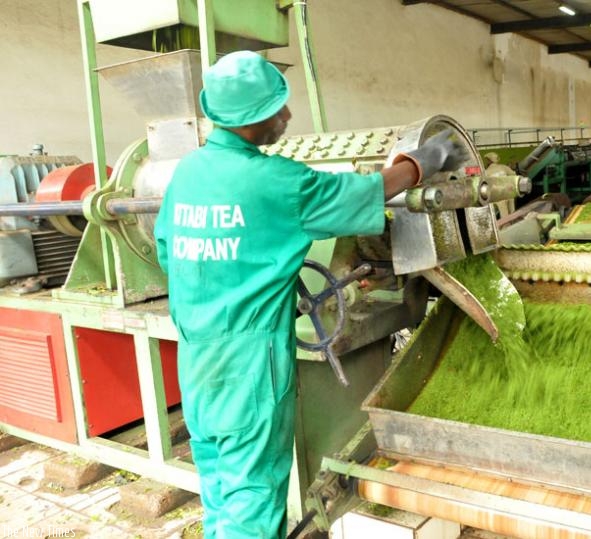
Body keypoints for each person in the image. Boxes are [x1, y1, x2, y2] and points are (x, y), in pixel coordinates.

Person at [153, 50, 466, 538]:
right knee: (252, 500)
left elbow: (170, 254)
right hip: (248, 369)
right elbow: (360, 194)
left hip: (196, 359)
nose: (288, 116)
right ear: (253, 119)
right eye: (278, 109)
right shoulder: (276, 182)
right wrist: (419, 164)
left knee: (218, 484)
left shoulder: (187, 175)